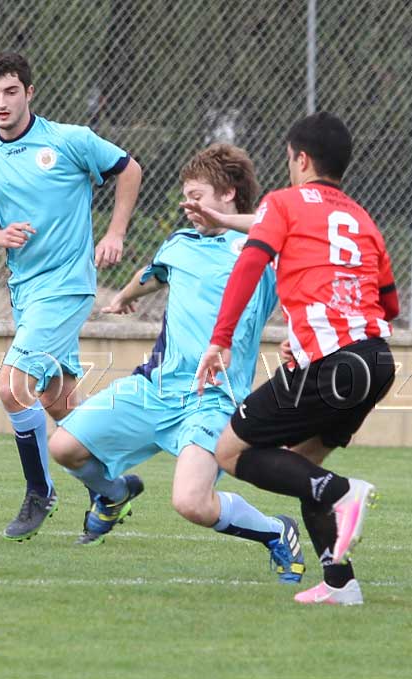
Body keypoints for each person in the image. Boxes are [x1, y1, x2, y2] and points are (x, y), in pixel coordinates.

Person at [49, 144, 306, 584]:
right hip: (156, 389)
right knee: (64, 447)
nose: (188, 206)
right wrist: (124, 296)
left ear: (228, 193)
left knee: (191, 503)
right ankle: (112, 495)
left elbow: (297, 250)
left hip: (214, 399)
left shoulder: (263, 247)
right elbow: (154, 273)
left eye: (197, 196)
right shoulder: (181, 243)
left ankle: (275, 531)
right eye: (185, 197)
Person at [195, 112, 399, 605]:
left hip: (335, 362)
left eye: (290, 158)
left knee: (230, 452)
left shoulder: (282, 202)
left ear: (301, 159)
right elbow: (388, 303)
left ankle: (343, 492)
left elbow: (251, 262)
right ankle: (340, 583)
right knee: (303, 468)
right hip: (376, 361)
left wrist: (220, 339)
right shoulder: (363, 220)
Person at [0, 52, 142, 541]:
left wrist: (115, 233)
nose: (2, 102)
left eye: (11, 91)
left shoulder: (69, 140)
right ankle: (111, 489)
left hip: (68, 285)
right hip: (26, 292)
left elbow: (129, 169)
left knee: (11, 388)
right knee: (59, 403)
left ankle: (40, 491)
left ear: (29, 93)